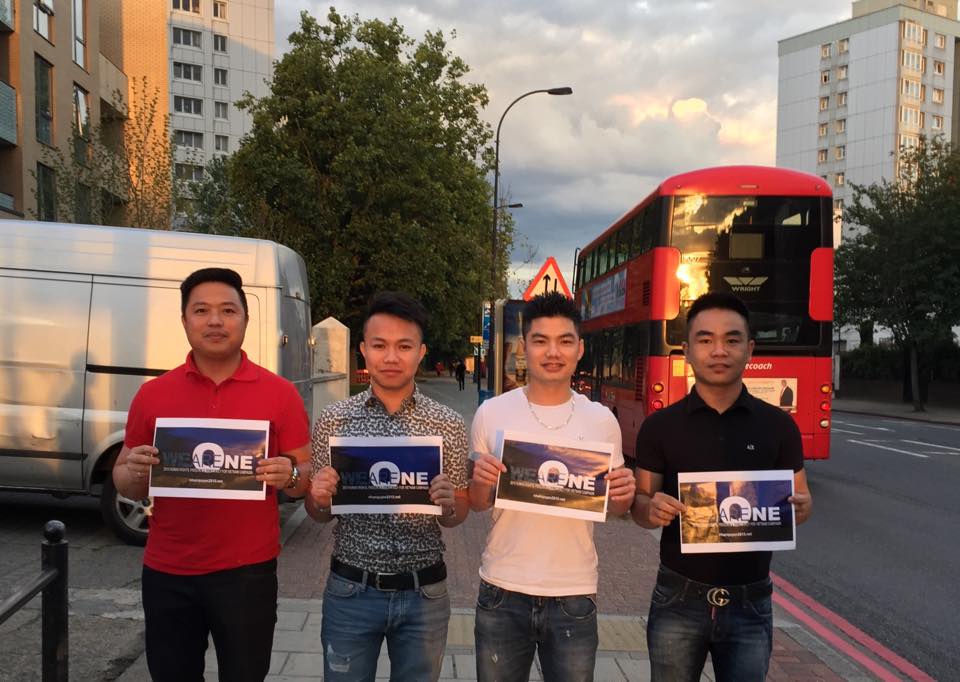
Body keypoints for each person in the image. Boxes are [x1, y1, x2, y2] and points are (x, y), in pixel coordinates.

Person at [114, 267, 311, 682]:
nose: (216, 321)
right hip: (168, 570)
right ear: (184, 320)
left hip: (248, 572)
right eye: (202, 310)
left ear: (246, 319)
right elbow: (125, 479)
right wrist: (132, 472)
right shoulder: (153, 394)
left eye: (228, 310)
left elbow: (305, 477)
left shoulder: (280, 394)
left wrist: (290, 474)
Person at [631, 291, 813, 682]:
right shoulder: (659, 427)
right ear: (687, 351)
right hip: (678, 597)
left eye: (732, 340)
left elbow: (803, 501)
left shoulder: (779, 426)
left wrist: (801, 507)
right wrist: (650, 508)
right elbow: (640, 506)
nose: (719, 351)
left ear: (750, 349)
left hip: (751, 601)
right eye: (705, 339)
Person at [469, 292, 636, 682]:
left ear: (580, 349)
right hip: (502, 587)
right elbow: (477, 504)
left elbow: (614, 508)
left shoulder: (601, 420)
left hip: (574, 593)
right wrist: (480, 482)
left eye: (564, 341)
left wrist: (624, 496)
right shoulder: (491, 413)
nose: (553, 352)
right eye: (540, 340)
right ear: (524, 346)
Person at [306, 291, 470, 682]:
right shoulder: (334, 420)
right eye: (380, 345)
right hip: (351, 589)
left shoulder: (447, 423)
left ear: (421, 352)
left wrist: (449, 502)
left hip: (424, 594)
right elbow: (318, 513)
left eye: (404, 346)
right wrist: (318, 497)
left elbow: (457, 514)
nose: (391, 357)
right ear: (363, 350)